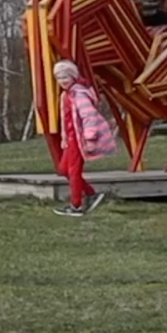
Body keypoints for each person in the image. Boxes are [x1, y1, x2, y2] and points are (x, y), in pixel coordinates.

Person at [50, 60, 114, 217]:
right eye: (59, 78)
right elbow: (66, 119)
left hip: (79, 139)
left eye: (66, 77)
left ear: (73, 77)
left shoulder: (79, 94)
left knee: (74, 171)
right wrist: (64, 137)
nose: (63, 81)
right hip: (71, 138)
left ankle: (76, 205)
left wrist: (90, 138)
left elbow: (89, 117)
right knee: (63, 169)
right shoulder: (66, 94)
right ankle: (91, 193)